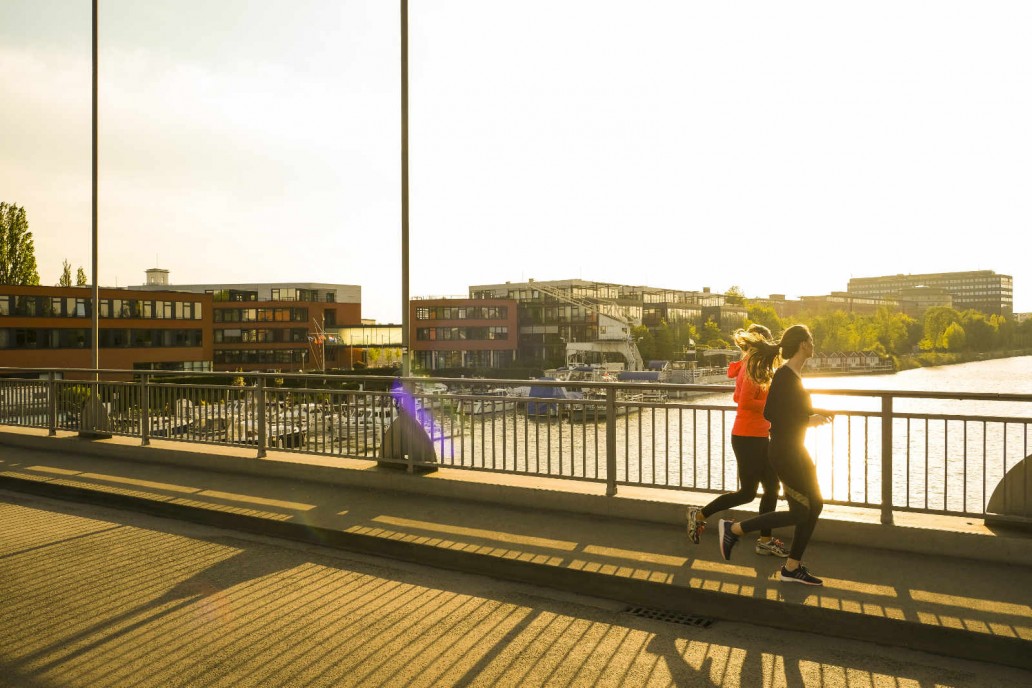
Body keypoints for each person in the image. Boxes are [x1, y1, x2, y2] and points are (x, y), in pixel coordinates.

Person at [717, 324, 832, 586]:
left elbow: (794, 408)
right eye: (811, 340)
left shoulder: (793, 375)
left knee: (815, 504)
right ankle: (734, 529)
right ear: (803, 344)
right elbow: (771, 414)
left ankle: (792, 567)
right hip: (784, 452)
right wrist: (808, 420)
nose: (813, 344)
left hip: (796, 449)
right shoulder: (784, 375)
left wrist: (820, 412)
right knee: (800, 512)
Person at [686, 324, 788, 557]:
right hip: (747, 437)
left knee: (772, 488)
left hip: (760, 435)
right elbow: (746, 402)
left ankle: (765, 540)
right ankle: (699, 515)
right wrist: (774, 405)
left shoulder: (755, 367)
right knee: (747, 493)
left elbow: (737, 396)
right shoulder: (751, 366)